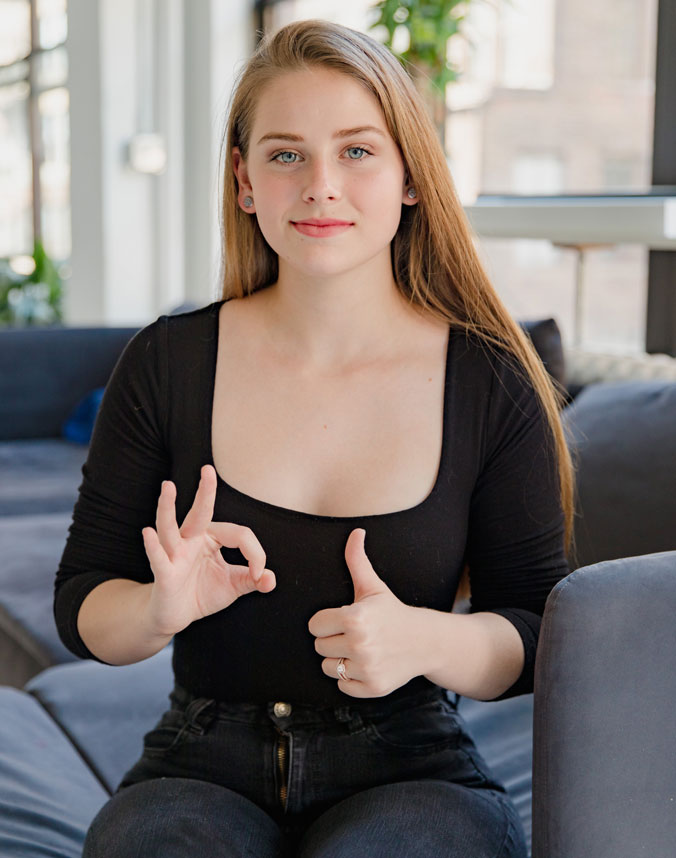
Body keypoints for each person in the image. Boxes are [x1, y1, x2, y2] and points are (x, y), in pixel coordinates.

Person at [55, 19, 572, 858]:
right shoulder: (168, 361)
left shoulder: (488, 378)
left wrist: (423, 639)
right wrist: (157, 610)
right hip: (202, 761)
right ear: (244, 180)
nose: (320, 185)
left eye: (358, 151)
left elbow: (541, 634)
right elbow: (82, 603)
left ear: (409, 176)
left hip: (411, 766)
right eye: (286, 154)